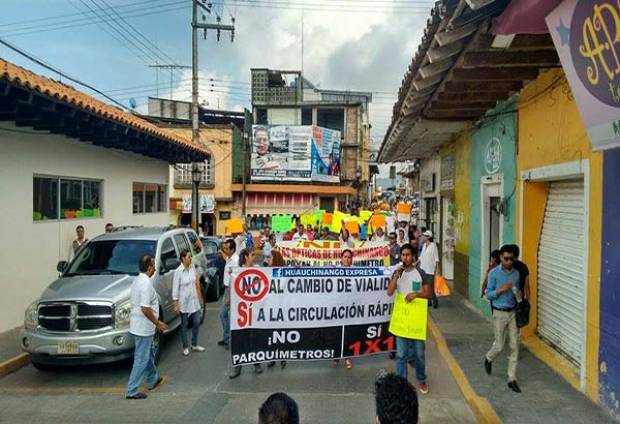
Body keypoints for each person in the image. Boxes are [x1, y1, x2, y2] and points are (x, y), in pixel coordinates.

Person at [387, 244, 433, 395]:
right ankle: (402, 383)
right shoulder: (397, 272)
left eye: (407, 255)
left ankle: (421, 378)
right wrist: (395, 277)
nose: (405, 258)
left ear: (413, 256)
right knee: (401, 354)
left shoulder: (420, 273)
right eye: (403, 255)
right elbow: (389, 292)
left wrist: (416, 295)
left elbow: (428, 293)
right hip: (402, 320)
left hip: (416, 321)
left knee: (419, 354)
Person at [126, 255, 168, 399]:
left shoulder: (138, 280)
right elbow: (145, 308)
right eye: (154, 265)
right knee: (141, 359)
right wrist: (158, 323)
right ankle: (132, 390)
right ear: (150, 268)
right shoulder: (145, 284)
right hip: (143, 328)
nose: (156, 267)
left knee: (148, 354)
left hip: (141, 327)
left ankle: (153, 378)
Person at [484, 244, 522, 393]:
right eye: (506, 258)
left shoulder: (516, 274)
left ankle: (511, 378)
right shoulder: (493, 273)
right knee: (499, 346)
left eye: (512, 259)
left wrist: (518, 295)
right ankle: (489, 357)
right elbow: (488, 294)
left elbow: (518, 292)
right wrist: (501, 290)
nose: (509, 262)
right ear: (501, 258)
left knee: (514, 346)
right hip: (499, 313)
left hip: (512, 312)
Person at [229, 247, 264, 378]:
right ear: (246, 258)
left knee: (253, 339)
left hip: (254, 312)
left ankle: (257, 363)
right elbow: (232, 289)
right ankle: (238, 367)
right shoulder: (237, 272)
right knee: (239, 339)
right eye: (252, 255)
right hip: (241, 313)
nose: (254, 257)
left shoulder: (258, 269)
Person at [173, 249, 205, 356]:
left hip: (193, 300)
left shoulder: (192, 268)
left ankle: (194, 344)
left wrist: (199, 297)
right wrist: (176, 303)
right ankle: (185, 346)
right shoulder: (178, 271)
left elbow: (196, 283)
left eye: (191, 256)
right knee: (184, 324)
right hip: (184, 302)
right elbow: (175, 288)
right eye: (188, 257)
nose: (190, 258)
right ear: (183, 258)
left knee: (196, 322)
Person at [333, 249, 354, 370]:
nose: (347, 259)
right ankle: (336, 355)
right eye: (345, 257)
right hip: (336, 306)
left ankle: (347, 357)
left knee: (347, 333)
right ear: (341, 258)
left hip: (349, 307)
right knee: (336, 332)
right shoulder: (335, 270)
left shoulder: (355, 271)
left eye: (349, 257)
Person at [267, 250, 288, 369]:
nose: (267, 260)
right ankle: (272, 357)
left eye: (269, 258)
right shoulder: (266, 271)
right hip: (270, 308)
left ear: (275, 259)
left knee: (281, 334)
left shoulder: (284, 273)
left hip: (282, 308)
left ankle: (283, 357)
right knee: (271, 335)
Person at [218, 239, 239, 349]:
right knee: (225, 315)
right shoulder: (230, 258)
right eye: (224, 248)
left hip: (230, 291)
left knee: (223, 314)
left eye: (227, 248)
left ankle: (229, 339)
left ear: (232, 250)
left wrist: (230, 296)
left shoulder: (235, 261)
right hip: (227, 290)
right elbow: (226, 258)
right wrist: (222, 254)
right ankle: (227, 338)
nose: (225, 250)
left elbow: (234, 279)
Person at [419, 230, 439, 309]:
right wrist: (415, 263)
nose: (424, 237)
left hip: (430, 269)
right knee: (425, 286)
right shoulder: (424, 245)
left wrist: (437, 269)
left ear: (429, 237)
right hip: (423, 268)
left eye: (426, 236)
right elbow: (421, 257)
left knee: (430, 287)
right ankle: (428, 301)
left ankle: (434, 301)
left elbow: (436, 258)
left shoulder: (433, 246)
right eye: (424, 235)